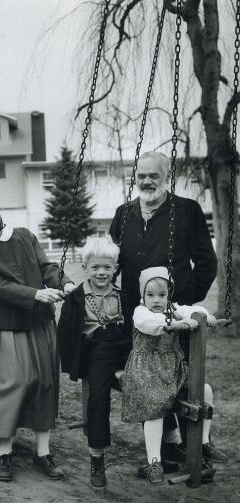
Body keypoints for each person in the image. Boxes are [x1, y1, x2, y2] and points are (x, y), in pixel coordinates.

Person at [109, 151, 227, 466]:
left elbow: (207, 262)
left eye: (154, 175)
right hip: (135, 320)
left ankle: (198, 447)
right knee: (150, 381)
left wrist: (184, 301)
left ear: (166, 176)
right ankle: (170, 443)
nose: (147, 181)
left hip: (175, 316)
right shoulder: (123, 214)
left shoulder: (187, 211)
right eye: (142, 176)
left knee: (186, 380)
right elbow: (110, 263)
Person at [0, 195, 75, 482]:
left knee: (44, 385)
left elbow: (46, 267)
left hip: (39, 324)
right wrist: (35, 294)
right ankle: (4, 451)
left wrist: (65, 282)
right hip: (4, 328)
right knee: (11, 386)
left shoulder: (24, 236)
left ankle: (43, 453)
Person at [120, 267, 218, 485]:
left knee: (204, 390)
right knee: (155, 406)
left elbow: (192, 309)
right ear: (142, 296)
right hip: (147, 370)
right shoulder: (141, 312)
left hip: (172, 369)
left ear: (169, 296)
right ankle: (154, 461)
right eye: (151, 295)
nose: (157, 300)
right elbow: (150, 325)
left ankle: (203, 443)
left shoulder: (173, 308)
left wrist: (204, 317)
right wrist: (173, 325)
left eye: (162, 295)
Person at [57, 236, 132, 488]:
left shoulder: (123, 295)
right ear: (86, 267)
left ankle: (170, 442)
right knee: (98, 398)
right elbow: (65, 333)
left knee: (152, 377)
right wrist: (73, 365)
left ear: (115, 268)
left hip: (123, 347)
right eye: (96, 267)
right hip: (96, 351)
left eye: (107, 267)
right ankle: (97, 458)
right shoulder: (77, 298)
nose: (101, 272)